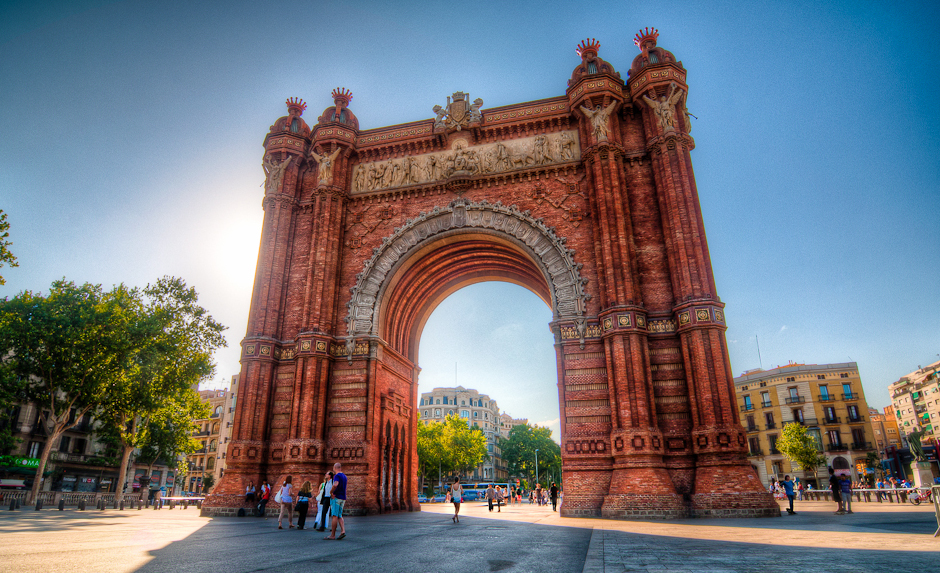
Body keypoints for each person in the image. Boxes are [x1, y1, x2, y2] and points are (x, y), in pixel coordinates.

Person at [325, 462, 347, 540]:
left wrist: (331, 492)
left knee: (335, 515)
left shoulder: (337, 476)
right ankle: (343, 531)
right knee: (340, 515)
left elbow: (335, 484)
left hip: (336, 497)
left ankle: (332, 535)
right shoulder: (344, 476)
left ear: (334, 468)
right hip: (343, 498)